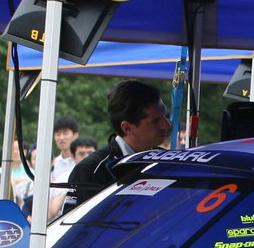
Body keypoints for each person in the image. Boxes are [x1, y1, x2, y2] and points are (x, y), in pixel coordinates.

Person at [60, 80, 172, 214]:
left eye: (165, 117)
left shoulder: (166, 162)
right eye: (155, 121)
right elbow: (74, 228)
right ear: (127, 128)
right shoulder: (91, 171)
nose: (166, 125)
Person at [51, 114, 80, 184]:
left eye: (65, 133)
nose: (61, 138)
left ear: (75, 135)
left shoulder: (81, 161)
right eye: (58, 134)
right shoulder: (52, 164)